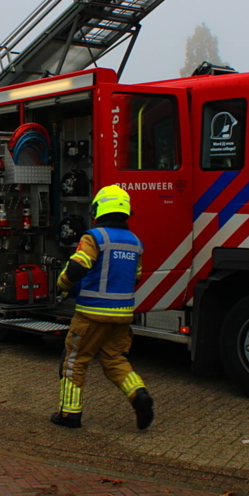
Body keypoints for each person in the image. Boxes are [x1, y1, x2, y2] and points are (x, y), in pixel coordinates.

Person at [50, 184, 154, 431]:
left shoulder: (94, 237)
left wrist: (62, 284)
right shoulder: (135, 243)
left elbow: (77, 267)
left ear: (99, 209)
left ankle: (69, 414)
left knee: (75, 361)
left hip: (91, 314)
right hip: (122, 315)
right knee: (115, 359)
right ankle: (139, 394)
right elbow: (136, 277)